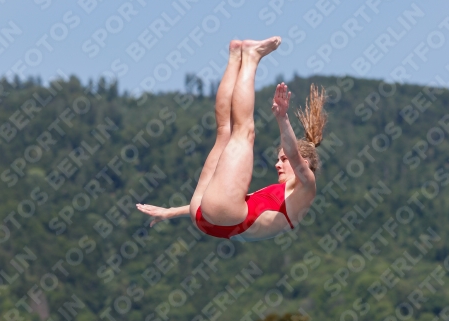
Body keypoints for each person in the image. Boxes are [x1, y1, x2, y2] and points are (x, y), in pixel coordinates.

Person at [136, 37, 327, 241]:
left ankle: (251, 57)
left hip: (218, 215)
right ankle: (236, 56)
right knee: (224, 132)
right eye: (279, 159)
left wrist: (282, 118)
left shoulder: (307, 185)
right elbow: (220, 197)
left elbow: (294, 155)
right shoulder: (278, 194)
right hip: (206, 213)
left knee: (244, 132)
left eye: (283, 159)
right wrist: (170, 212)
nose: (277, 164)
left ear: (305, 164)